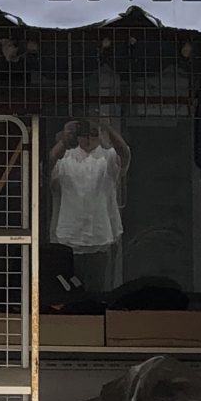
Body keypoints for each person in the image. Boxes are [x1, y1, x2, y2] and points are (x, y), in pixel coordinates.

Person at [48, 116, 130, 294]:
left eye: (93, 132)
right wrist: (65, 140)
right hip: (67, 238)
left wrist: (108, 129)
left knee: (99, 291)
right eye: (83, 132)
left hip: (101, 238)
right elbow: (48, 165)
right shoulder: (65, 157)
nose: (88, 137)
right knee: (67, 290)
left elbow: (124, 154)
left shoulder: (107, 156)